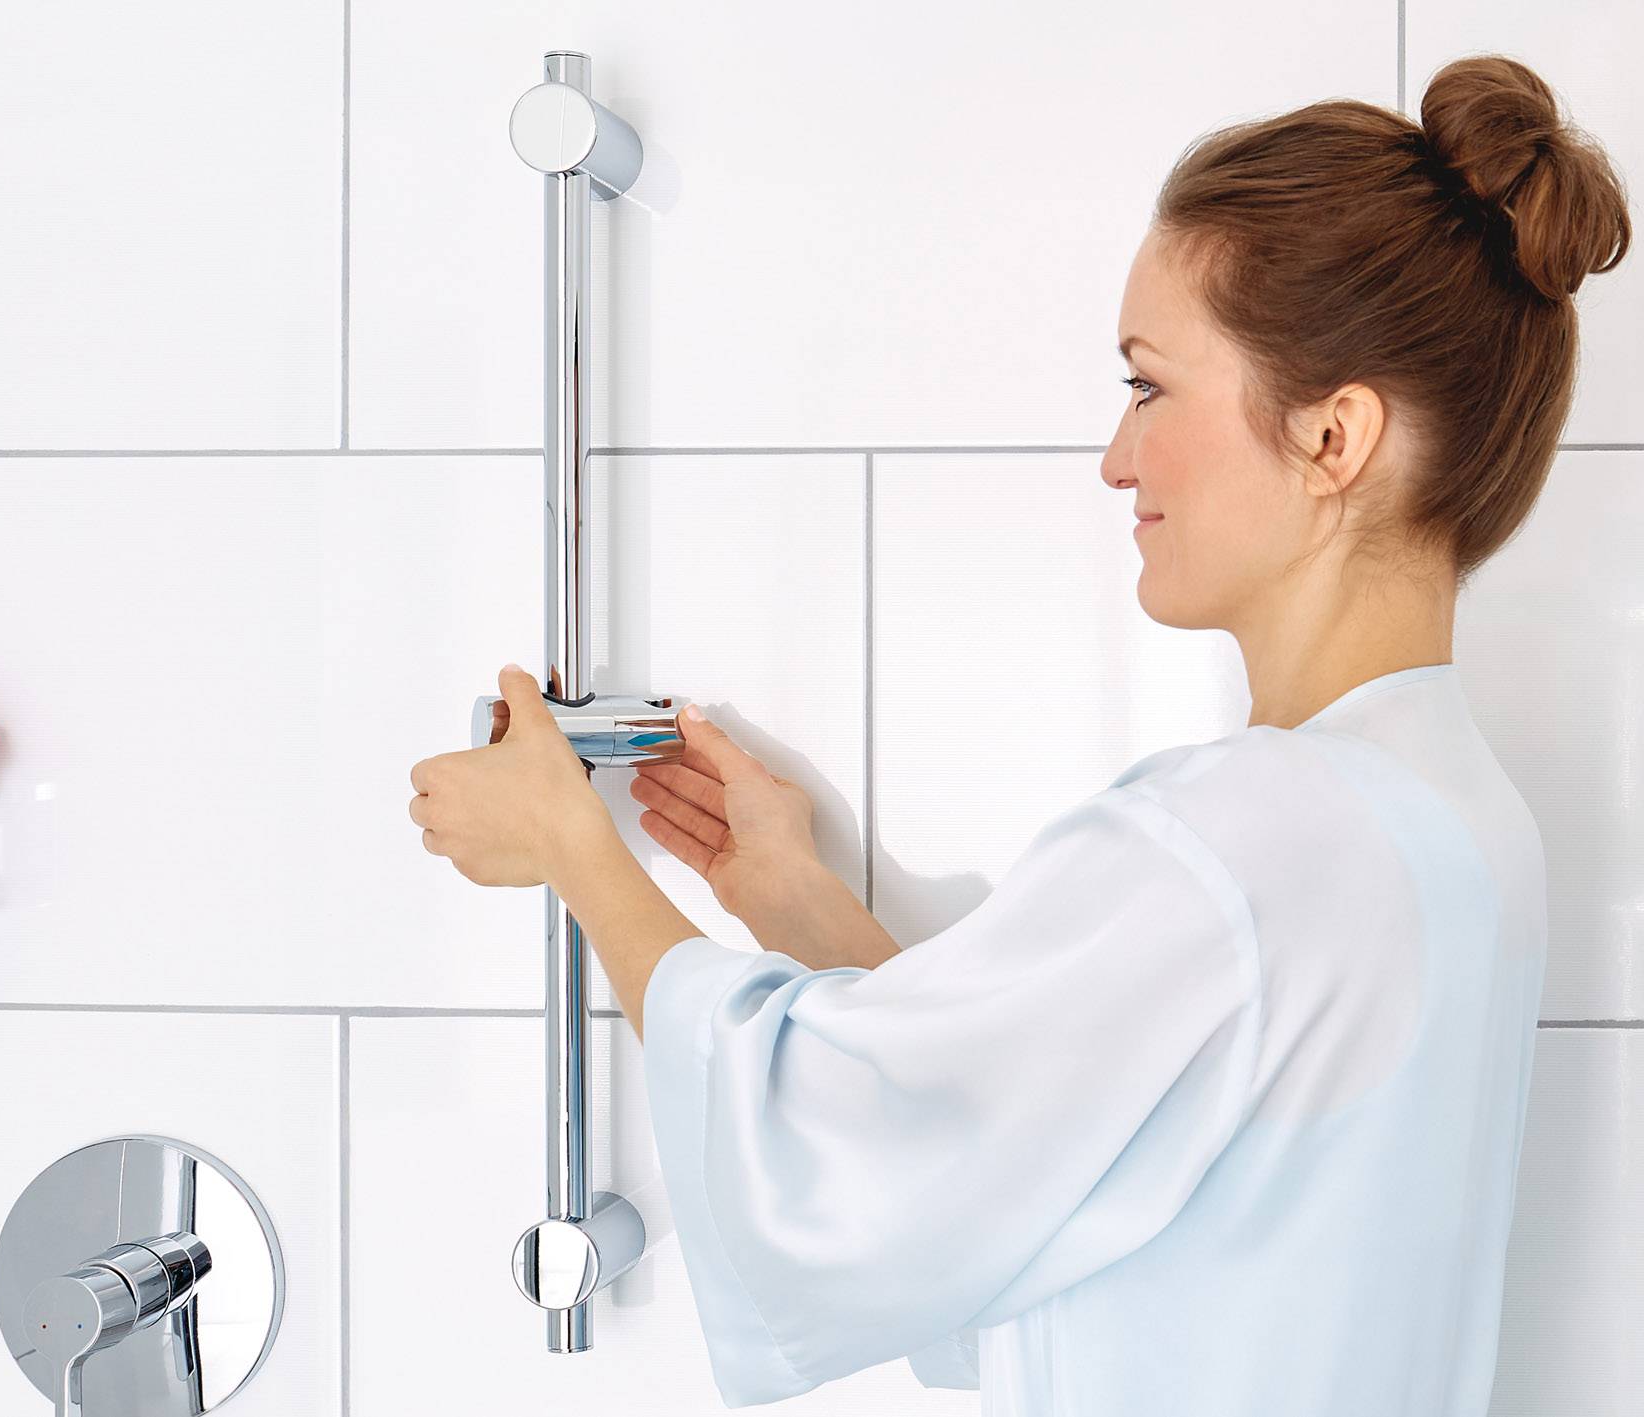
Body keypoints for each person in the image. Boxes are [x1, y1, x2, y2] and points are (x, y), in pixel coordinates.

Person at [405, 53, 1629, 1416]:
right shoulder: (1460, 826)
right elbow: (1073, 1186)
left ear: (1334, 435)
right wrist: (801, 906)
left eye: (1150, 386)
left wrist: (579, 852)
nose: (1119, 457)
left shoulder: (1244, 835)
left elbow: (826, 1168)